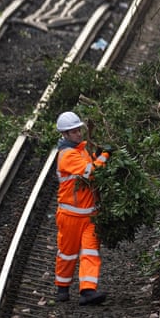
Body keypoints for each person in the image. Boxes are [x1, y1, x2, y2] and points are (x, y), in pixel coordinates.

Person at [53, 110, 109, 306]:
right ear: (65, 135)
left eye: (79, 130)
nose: (78, 133)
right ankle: (62, 288)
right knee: (67, 253)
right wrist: (104, 156)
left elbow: (91, 165)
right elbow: (92, 173)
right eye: (74, 131)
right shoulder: (67, 155)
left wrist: (98, 155)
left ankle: (87, 291)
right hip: (70, 215)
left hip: (90, 215)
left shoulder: (82, 150)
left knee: (90, 252)